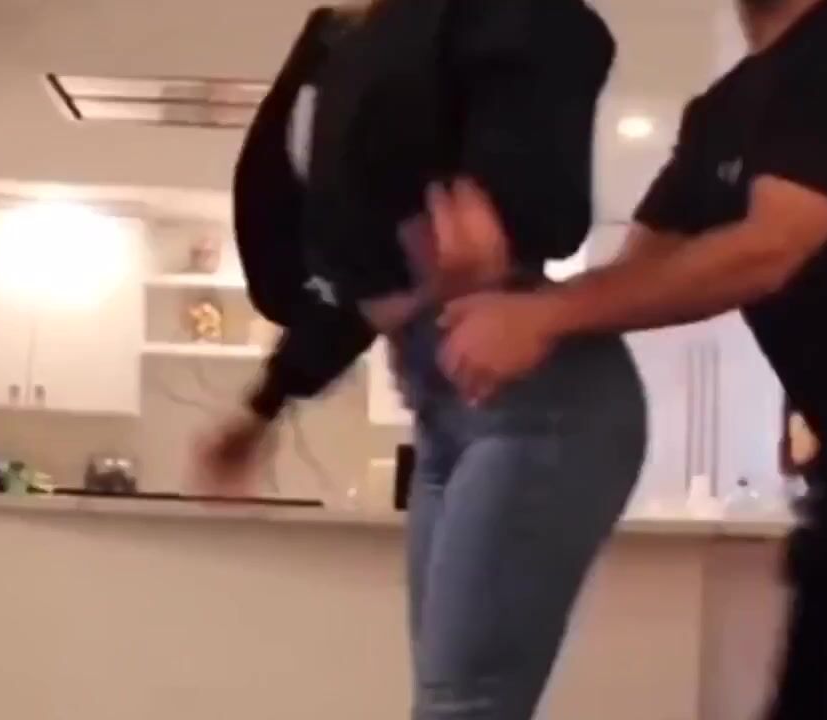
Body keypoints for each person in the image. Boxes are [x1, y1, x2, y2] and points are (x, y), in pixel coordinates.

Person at [430, 0, 827, 717]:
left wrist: (543, 316)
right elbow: (637, 273)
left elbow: (768, 250)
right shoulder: (721, 112)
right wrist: (510, 295)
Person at [196, 2, 647, 719]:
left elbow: (563, 63)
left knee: (460, 704)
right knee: (450, 700)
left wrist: (503, 215)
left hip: (538, 406)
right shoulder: (342, 37)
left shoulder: (485, 21)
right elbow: (364, 283)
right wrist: (264, 404)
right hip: (443, 409)